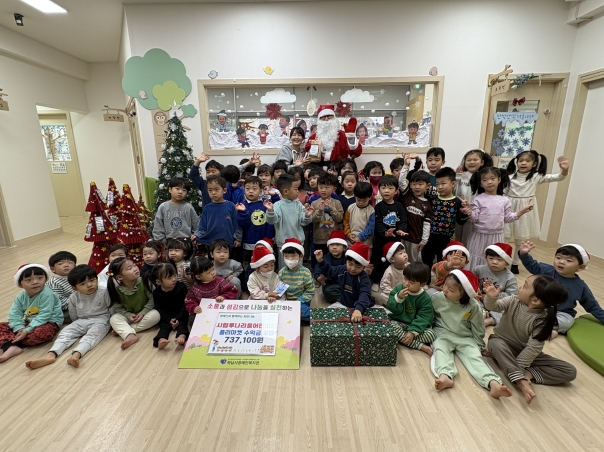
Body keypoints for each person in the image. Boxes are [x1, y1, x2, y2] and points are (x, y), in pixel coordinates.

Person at [484, 276, 577, 404]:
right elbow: (494, 306)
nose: (520, 286)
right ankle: (520, 381)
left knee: (570, 371)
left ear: (536, 300)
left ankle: (525, 373)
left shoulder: (542, 319)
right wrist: (491, 297)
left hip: (526, 352)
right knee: (495, 344)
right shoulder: (513, 300)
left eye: (525, 286)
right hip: (501, 342)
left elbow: (533, 348)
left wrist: (521, 368)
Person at [431, 269, 512, 399]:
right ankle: (445, 376)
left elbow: (478, 326)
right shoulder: (437, 298)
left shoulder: (473, 306)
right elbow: (430, 316)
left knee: (475, 357)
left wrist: (479, 345)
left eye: (451, 290)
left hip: (465, 337)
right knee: (440, 351)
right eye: (445, 285)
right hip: (442, 333)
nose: (445, 290)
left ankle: (492, 383)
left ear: (464, 293)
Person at [25, 265, 111, 369]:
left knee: (92, 336)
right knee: (65, 332)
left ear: (97, 279)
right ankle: (51, 354)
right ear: (75, 288)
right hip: (81, 320)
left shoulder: (105, 292)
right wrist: (76, 325)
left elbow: (112, 308)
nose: (89, 285)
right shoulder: (74, 296)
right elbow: (73, 313)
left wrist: (110, 324)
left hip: (101, 320)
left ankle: (76, 354)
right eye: (83, 283)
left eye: (92, 280)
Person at [518, 241, 604, 335]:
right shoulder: (547, 270)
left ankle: (544, 327)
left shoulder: (580, 286)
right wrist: (524, 254)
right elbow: (532, 265)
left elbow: (592, 305)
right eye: (558, 257)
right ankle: (542, 327)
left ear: (580, 267)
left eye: (569, 260)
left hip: (561, 313)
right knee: (520, 307)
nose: (561, 262)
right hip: (539, 307)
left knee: (566, 322)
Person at [505, 152, 570, 274]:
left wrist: (564, 170)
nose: (523, 163)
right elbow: (503, 191)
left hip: (526, 208)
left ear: (534, 164)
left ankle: (515, 263)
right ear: (516, 162)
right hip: (509, 205)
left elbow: (557, 177)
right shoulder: (510, 176)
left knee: (520, 238)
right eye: (521, 160)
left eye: (527, 161)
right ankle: (503, 261)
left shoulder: (536, 176)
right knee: (505, 236)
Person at [466, 167, 533, 270]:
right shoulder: (478, 199)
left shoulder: (505, 200)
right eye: (485, 180)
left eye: (492, 178)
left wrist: (522, 211)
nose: (489, 182)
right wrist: (469, 212)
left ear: (499, 179)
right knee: (477, 257)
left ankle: (490, 278)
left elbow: (507, 218)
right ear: (480, 183)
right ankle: (474, 277)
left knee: (494, 259)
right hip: (479, 236)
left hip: (496, 236)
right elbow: (474, 219)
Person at [0, 264, 62, 363]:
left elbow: (45, 315)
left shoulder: (47, 294)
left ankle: (10, 343)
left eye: (40, 278)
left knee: (39, 334)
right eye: (28, 280)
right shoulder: (20, 297)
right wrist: (19, 328)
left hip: (48, 322)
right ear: (20, 284)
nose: (35, 282)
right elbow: (14, 314)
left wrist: (27, 330)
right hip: (27, 323)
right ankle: (12, 346)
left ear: (45, 279)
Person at [420, 167, 469, 270]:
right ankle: (426, 279)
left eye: (443, 183)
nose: (440, 187)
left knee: (443, 263)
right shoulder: (432, 200)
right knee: (426, 261)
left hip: (446, 238)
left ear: (453, 184)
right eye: (437, 184)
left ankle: (441, 279)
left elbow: (460, 221)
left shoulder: (457, 202)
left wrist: (465, 213)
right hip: (430, 237)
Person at [106, 258, 160, 349]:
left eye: (134, 265)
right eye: (129, 268)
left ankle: (127, 331)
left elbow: (153, 299)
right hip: (130, 316)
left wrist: (143, 312)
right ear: (119, 277)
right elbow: (118, 307)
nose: (135, 268)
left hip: (146, 313)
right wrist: (128, 315)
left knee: (156, 315)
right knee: (114, 319)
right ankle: (129, 334)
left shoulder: (144, 281)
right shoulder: (116, 289)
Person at [314, 242, 374, 322]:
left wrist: (358, 309)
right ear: (346, 261)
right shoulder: (342, 269)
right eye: (350, 264)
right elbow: (330, 271)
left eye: (358, 266)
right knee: (326, 317)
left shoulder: (364, 278)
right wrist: (321, 261)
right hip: (344, 303)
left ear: (364, 266)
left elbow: (365, 294)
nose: (353, 269)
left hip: (362, 306)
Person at [265, 175, 314, 269]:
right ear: (286, 191)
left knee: (298, 269)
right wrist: (270, 211)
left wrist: (307, 216)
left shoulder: (298, 204)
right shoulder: (277, 205)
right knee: (284, 269)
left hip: (298, 242)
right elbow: (271, 220)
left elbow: (304, 222)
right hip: (283, 244)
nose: (298, 191)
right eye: (295, 189)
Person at [386, 262, 435, 355]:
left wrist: (412, 332)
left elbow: (424, 317)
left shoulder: (425, 298)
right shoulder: (398, 289)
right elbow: (390, 307)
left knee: (431, 335)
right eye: (405, 279)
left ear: (422, 284)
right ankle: (419, 346)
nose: (406, 283)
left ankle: (403, 338)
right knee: (391, 327)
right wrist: (398, 298)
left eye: (412, 282)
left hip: (414, 326)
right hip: (398, 322)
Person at [370, 175, 408, 287]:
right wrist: (385, 232)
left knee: (392, 261)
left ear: (396, 191)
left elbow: (403, 221)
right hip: (380, 241)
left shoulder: (399, 206)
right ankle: (376, 281)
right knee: (378, 261)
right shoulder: (378, 207)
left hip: (395, 241)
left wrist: (401, 230)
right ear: (379, 190)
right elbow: (377, 223)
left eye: (390, 188)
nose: (386, 191)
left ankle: (391, 281)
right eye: (383, 188)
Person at [146, 262, 189, 349]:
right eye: (169, 278)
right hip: (167, 316)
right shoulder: (156, 293)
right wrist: (168, 320)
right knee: (164, 327)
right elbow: (159, 308)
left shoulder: (181, 287)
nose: (174, 279)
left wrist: (178, 318)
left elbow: (184, 305)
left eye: (175, 275)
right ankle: (161, 339)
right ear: (159, 281)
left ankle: (181, 337)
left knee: (183, 324)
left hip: (181, 314)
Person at [185, 257, 239, 326]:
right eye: (209, 272)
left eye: (213, 269)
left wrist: (223, 296)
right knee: (192, 319)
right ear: (198, 277)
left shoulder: (219, 281)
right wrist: (194, 307)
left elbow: (232, 290)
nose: (213, 273)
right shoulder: (195, 288)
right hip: (204, 312)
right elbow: (189, 301)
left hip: (219, 308)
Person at [455, 149, 493, 246]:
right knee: (457, 237)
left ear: (482, 162)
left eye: (475, 160)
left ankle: (468, 255)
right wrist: (457, 177)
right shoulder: (461, 175)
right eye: (468, 160)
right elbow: (454, 192)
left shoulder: (484, 177)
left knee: (469, 239)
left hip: (474, 213)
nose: (471, 162)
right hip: (460, 212)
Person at [473, 243, 517, 327]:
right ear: (486, 258)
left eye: (499, 259)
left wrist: (492, 297)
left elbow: (512, 295)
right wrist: (476, 290)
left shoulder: (509, 277)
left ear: (507, 262)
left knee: (510, 312)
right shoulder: (479, 269)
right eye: (491, 258)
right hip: (479, 300)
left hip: (497, 303)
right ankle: (480, 315)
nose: (494, 262)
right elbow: (471, 280)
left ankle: (490, 320)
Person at [235, 176, 275, 266]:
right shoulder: (242, 205)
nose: (251, 191)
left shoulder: (266, 203)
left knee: (265, 263)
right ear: (244, 190)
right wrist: (243, 212)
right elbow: (242, 223)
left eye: (254, 189)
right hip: (249, 241)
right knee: (251, 265)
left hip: (265, 240)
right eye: (247, 188)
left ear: (260, 191)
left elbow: (270, 222)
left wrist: (270, 237)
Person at [397, 160, 432, 263]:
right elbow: (401, 181)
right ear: (410, 185)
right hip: (402, 236)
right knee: (400, 261)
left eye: (420, 184)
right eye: (414, 184)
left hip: (415, 240)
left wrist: (424, 241)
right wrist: (405, 165)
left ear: (428, 186)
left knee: (412, 263)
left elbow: (427, 225)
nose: (417, 187)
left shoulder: (427, 204)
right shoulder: (408, 194)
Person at [194, 175, 242, 250]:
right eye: (210, 190)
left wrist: (238, 238)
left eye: (216, 189)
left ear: (224, 190)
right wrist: (196, 235)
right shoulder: (207, 208)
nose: (213, 193)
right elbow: (202, 226)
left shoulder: (231, 206)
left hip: (228, 243)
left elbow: (237, 224)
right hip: (211, 244)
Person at [311, 173, 344, 265]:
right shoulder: (314, 203)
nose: (323, 190)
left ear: (334, 189)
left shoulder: (337, 203)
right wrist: (320, 210)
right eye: (321, 187)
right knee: (319, 261)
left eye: (327, 187)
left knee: (332, 262)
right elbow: (312, 220)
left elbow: (339, 219)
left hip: (333, 239)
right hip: (319, 238)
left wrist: (331, 208)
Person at [152, 177, 199, 242]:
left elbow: (196, 225)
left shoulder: (189, 207)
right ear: (170, 189)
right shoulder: (163, 207)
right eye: (177, 188)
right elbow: (158, 227)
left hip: (186, 242)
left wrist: (194, 237)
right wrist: (163, 241)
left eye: (184, 190)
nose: (180, 192)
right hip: (168, 243)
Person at [278, 238, 314, 322]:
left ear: (300, 257)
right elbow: (280, 291)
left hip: (301, 302)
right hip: (286, 302)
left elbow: (310, 291)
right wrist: (283, 301)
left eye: (293, 256)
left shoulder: (305, 272)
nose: (290, 259)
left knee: (304, 312)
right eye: (286, 256)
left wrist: (298, 301)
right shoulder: (282, 272)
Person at [314, 230, 347, 303]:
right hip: (330, 285)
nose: (334, 247)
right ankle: (348, 298)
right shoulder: (325, 258)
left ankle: (346, 297)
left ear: (344, 247)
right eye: (331, 245)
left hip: (345, 284)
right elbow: (318, 269)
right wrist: (319, 278)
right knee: (328, 293)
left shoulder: (347, 258)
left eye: (337, 245)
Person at [46, 251, 77, 323]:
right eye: (60, 263)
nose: (66, 265)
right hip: (61, 310)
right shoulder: (55, 283)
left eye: (70, 263)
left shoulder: (75, 277)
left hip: (74, 302)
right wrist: (79, 301)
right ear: (53, 269)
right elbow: (60, 303)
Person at [343, 182, 375, 247]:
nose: (361, 203)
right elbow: (346, 222)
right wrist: (348, 234)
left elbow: (371, 227)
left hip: (365, 244)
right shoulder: (350, 208)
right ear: (355, 196)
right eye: (358, 200)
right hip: (351, 242)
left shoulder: (371, 211)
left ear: (369, 197)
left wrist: (360, 237)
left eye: (364, 200)